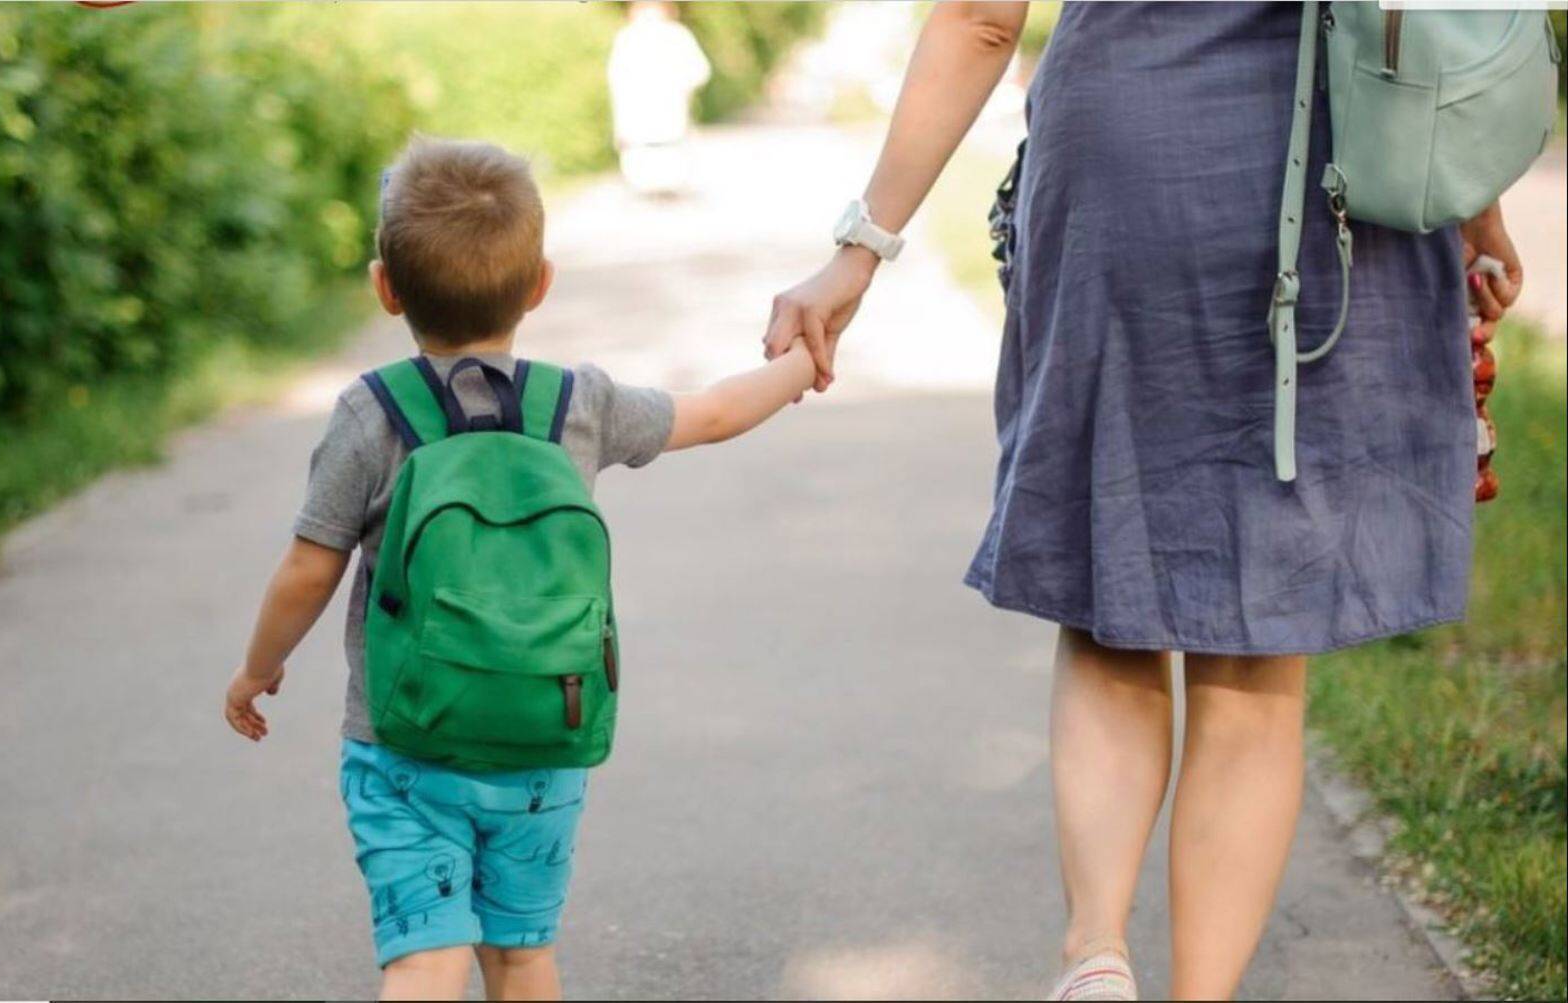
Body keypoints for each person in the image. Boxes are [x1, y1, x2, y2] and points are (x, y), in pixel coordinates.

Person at [761, 3, 1524, 999]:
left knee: (1112, 588)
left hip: (1125, 157)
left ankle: (1095, 953)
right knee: (1255, 647)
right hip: (1341, 161)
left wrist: (859, 251)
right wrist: (1476, 210)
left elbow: (983, 19)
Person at [224, 137, 814, 1001]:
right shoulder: (578, 405)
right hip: (545, 737)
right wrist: (803, 361)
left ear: (385, 287)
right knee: (521, 955)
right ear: (541, 283)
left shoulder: (372, 413)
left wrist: (258, 668)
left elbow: (308, 570)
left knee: (425, 958)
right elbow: (718, 413)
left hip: (402, 744)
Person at [607, 0, 711, 196]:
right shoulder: (627, 38)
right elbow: (616, 80)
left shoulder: (677, 36)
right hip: (636, 116)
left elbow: (699, 70)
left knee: (670, 166)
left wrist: (680, 84)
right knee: (642, 171)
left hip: (670, 113)